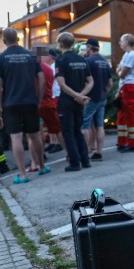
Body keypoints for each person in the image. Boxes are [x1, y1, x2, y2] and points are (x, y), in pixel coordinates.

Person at [0, 27, 48, 184]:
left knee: (15, 137)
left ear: (4, 41)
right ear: (18, 38)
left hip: (10, 103)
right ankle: (42, 167)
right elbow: (42, 79)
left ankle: (23, 174)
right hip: (30, 101)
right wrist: (39, 99)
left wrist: (0, 106)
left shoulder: (1, 58)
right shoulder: (31, 56)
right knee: (34, 135)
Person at [55, 32, 93, 171]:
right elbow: (90, 81)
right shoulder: (81, 59)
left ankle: (74, 163)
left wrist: (76, 95)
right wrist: (81, 95)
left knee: (67, 132)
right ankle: (85, 160)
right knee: (78, 130)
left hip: (66, 101)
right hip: (79, 102)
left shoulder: (61, 60)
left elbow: (62, 84)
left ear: (61, 44)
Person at [82, 38, 112, 161]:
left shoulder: (88, 61)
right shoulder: (105, 62)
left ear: (89, 47)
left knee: (85, 125)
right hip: (102, 97)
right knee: (99, 125)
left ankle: (84, 153)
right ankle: (98, 152)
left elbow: (84, 80)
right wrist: (105, 93)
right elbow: (110, 83)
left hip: (90, 98)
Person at [36, 47, 65, 155]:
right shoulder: (48, 68)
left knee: (38, 131)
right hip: (49, 99)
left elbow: (43, 83)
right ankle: (68, 153)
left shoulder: (39, 68)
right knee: (54, 127)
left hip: (45, 99)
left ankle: (40, 157)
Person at [115, 33, 134, 152]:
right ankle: (123, 141)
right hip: (125, 86)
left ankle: (132, 144)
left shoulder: (131, 55)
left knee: (129, 115)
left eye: (121, 41)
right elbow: (119, 71)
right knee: (122, 115)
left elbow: (121, 73)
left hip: (129, 86)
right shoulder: (127, 55)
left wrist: (119, 71)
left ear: (126, 42)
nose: (120, 43)